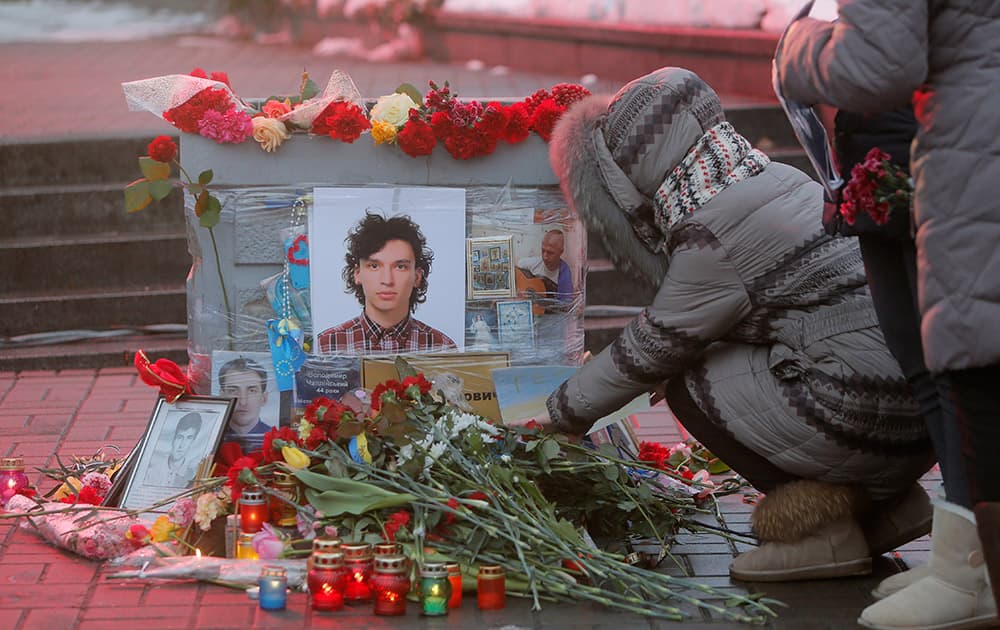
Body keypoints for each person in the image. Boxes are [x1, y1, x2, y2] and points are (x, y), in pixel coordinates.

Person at [511, 67, 935, 584]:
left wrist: (551, 417)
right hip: (916, 411)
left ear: (636, 170)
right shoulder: (774, 177)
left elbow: (650, 349)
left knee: (687, 382)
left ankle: (820, 534)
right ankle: (890, 508)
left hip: (862, 407)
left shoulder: (713, 233)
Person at [776, 3, 1000, 627]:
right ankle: (965, 553)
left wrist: (797, 46)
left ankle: (968, 570)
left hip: (940, 151)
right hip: (918, 148)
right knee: (929, 362)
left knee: (955, 368)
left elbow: (880, 62)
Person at [316, 212, 457, 355]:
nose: (387, 280)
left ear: (417, 276)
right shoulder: (327, 346)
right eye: (374, 266)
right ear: (357, 274)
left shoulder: (442, 348)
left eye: (400, 267)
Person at [219, 357, 271, 453]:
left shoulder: (274, 440)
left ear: (264, 398)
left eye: (252, 391)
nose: (243, 402)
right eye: (233, 391)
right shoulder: (211, 438)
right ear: (222, 396)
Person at [516, 229, 574, 310]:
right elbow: (518, 267)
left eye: (550, 252)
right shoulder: (530, 264)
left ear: (561, 252)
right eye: (543, 250)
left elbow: (565, 305)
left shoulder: (564, 273)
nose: (545, 256)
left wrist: (540, 301)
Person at [145, 412, 202, 487]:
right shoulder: (151, 470)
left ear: (193, 442)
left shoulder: (194, 474)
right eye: (180, 437)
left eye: (189, 438)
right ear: (173, 438)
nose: (182, 445)